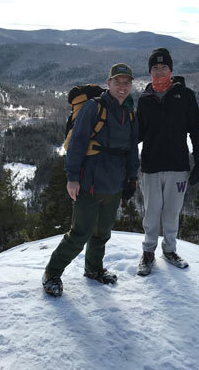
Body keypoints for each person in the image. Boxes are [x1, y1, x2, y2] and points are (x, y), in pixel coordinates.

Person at [42, 63, 139, 297]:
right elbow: (76, 144)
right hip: (90, 182)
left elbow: (132, 149)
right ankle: (51, 274)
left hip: (114, 184)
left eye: (127, 82)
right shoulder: (93, 108)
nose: (123, 87)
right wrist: (72, 178)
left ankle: (94, 269)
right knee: (80, 233)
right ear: (109, 83)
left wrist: (131, 179)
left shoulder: (129, 112)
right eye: (118, 82)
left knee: (102, 233)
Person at [136, 47, 199, 276]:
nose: (159, 71)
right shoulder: (145, 99)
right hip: (151, 167)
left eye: (163, 67)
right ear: (150, 71)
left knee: (172, 213)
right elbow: (137, 134)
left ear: (171, 69)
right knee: (151, 213)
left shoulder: (185, 96)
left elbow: (196, 130)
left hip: (177, 166)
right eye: (154, 68)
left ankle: (170, 250)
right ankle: (148, 253)